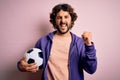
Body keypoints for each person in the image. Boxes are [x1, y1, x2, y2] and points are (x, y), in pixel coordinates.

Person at [17, 3, 97, 80]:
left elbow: (91, 69)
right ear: (54, 20)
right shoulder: (43, 42)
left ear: (71, 19)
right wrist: (21, 66)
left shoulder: (79, 43)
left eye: (66, 17)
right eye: (59, 17)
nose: (63, 21)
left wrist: (89, 45)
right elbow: (29, 62)